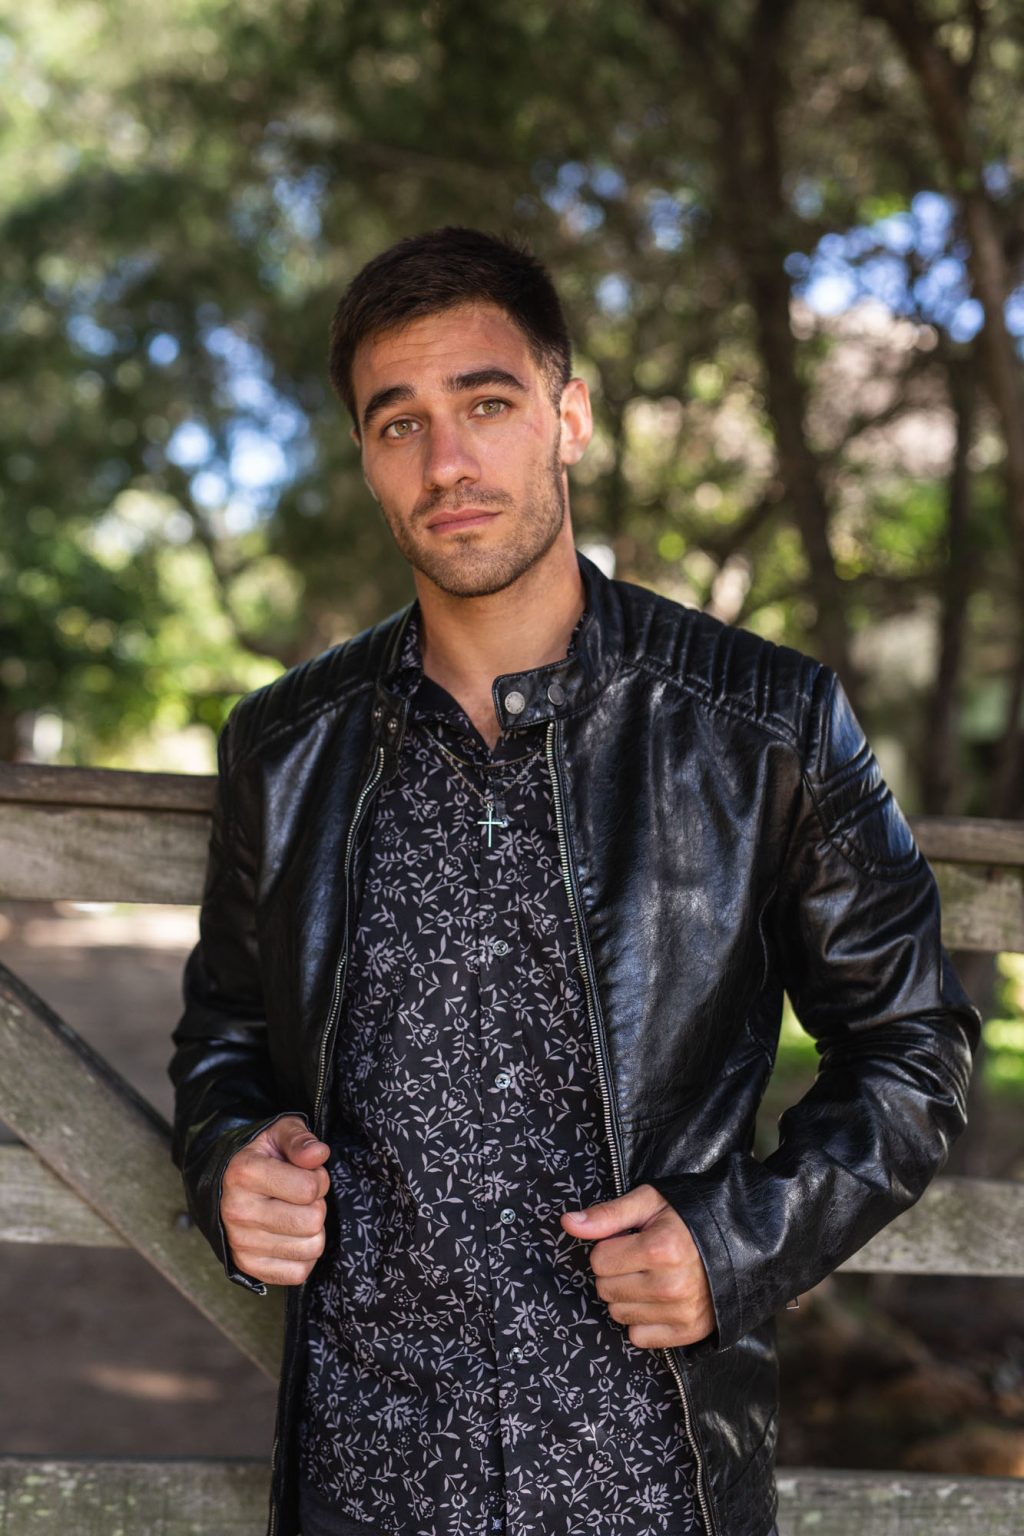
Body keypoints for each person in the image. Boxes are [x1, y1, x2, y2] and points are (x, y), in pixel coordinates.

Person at [169, 226, 979, 1536]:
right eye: (399, 423)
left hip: (648, 1480)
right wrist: (227, 1162)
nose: (447, 462)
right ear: (366, 458)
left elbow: (914, 1044)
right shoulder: (285, 746)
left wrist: (738, 1243)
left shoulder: (765, 722)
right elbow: (224, 1038)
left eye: (486, 403)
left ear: (570, 418)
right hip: (366, 1481)